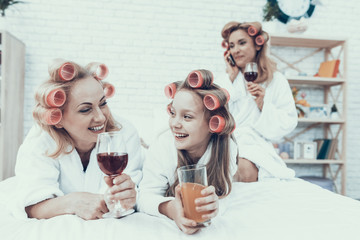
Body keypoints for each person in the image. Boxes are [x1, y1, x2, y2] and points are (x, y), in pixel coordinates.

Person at [11, 59, 143, 220]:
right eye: (85, 110)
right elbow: (32, 207)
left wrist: (127, 197)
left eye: (103, 103)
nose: (101, 117)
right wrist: (73, 202)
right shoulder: (40, 139)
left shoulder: (125, 133)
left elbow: (129, 198)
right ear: (57, 118)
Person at [138, 69, 238, 235]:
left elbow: (224, 193)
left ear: (212, 124)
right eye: (173, 113)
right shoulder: (162, 147)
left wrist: (214, 206)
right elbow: (144, 197)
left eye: (187, 117)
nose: (175, 124)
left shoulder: (228, 148)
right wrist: (171, 209)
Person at [219, 21, 298, 181]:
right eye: (232, 45)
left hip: (253, 145)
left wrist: (263, 104)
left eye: (242, 43)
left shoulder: (276, 80)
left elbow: (288, 122)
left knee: (241, 170)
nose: (236, 50)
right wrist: (230, 78)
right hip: (224, 143)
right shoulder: (226, 79)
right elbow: (211, 115)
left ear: (257, 45)